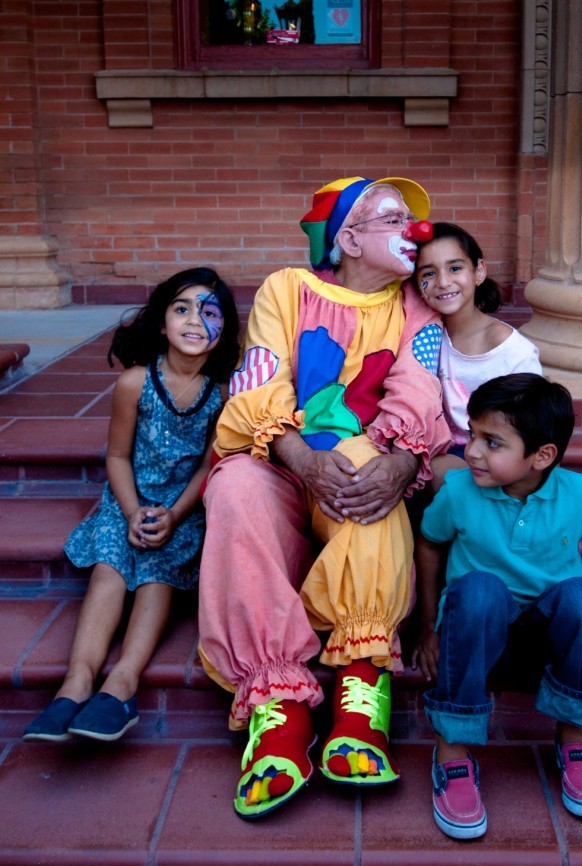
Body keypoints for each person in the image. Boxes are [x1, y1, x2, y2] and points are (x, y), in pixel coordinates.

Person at [197, 175, 451, 819]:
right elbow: (260, 373)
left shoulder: (413, 307)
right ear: (348, 237)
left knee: (368, 473)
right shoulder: (288, 288)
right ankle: (278, 711)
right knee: (234, 491)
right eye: (394, 219)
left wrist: (400, 459)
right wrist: (299, 455)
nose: (414, 232)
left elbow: (418, 389)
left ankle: (361, 697)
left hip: (357, 458)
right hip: (280, 455)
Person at [23, 267, 239, 743]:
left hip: (183, 508)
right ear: (162, 323)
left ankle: (121, 684)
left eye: (209, 312)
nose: (194, 321)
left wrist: (174, 514)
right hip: (126, 501)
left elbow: (208, 467)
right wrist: (131, 511)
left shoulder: (221, 394)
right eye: (181, 309)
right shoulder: (136, 383)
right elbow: (117, 455)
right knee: (111, 566)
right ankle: (75, 682)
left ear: (224, 330)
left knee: (158, 569)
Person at [412, 373, 582, 840]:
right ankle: (452, 750)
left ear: (542, 456)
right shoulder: (459, 492)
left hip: (548, 640)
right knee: (479, 590)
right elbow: (429, 546)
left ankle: (574, 739)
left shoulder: (581, 495)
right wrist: (429, 627)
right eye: (472, 434)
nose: (471, 451)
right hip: (478, 632)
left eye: (492, 442)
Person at [413, 222, 541, 483]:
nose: (443, 282)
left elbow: (533, 427)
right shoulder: (423, 337)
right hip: (437, 445)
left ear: (479, 271)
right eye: (428, 274)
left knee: (438, 474)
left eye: (455, 268)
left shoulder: (513, 352)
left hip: (496, 452)